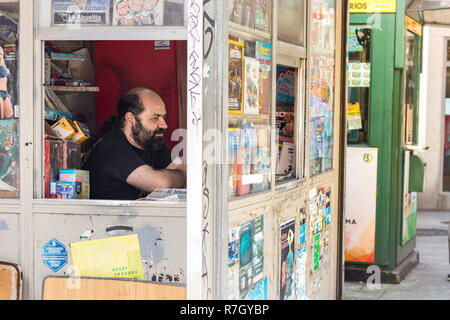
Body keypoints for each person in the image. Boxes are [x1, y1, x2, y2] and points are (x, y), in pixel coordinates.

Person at [82, 88, 186, 200]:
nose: (164, 125)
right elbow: (162, 183)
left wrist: (179, 174)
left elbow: (184, 168)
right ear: (130, 119)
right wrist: (181, 176)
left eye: (163, 117)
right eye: (155, 118)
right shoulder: (113, 148)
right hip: (105, 216)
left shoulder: (150, 141)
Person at [0, 46, 13, 120]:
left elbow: (7, 79)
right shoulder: (2, 68)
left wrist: (8, 93)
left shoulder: (3, 67)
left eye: (0, 54)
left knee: (10, 116)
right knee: (1, 118)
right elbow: (3, 73)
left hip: (5, 93)